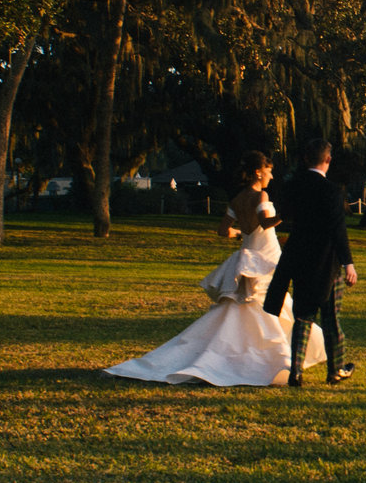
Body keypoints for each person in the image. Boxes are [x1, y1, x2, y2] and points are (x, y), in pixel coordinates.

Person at [103, 150, 326, 387]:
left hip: (250, 253)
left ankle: (254, 355)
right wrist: (287, 215)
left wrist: (241, 233)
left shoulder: (237, 199)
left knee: (251, 306)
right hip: (264, 256)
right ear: (259, 172)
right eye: (269, 171)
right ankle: (268, 359)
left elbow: (223, 230)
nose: (271, 176)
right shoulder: (261, 195)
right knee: (267, 305)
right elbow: (265, 222)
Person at [262, 136, 358, 387]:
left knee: (303, 315)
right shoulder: (331, 191)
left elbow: (286, 215)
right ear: (328, 160)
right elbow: (338, 230)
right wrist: (348, 263)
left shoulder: (293, 186)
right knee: (331, 317)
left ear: (306, 159)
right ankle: (336, 368)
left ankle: (296, 371)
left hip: (299, 257)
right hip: (327, 261)